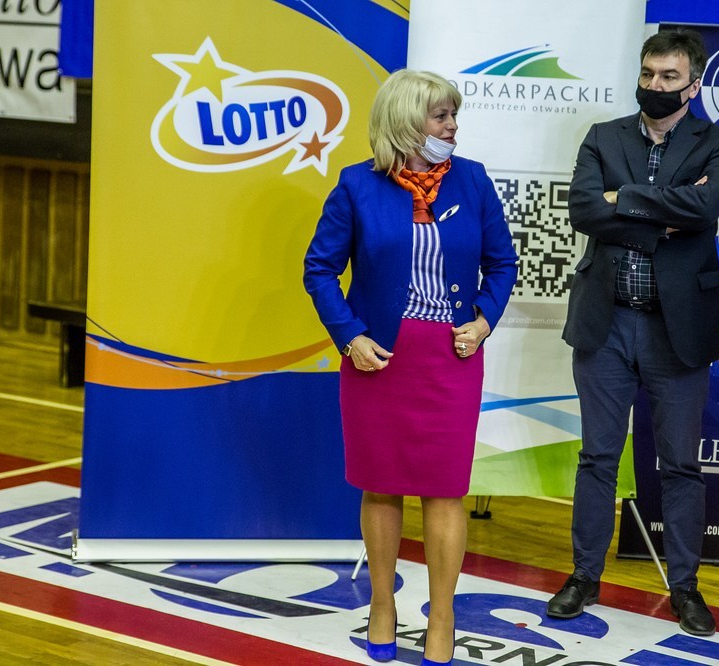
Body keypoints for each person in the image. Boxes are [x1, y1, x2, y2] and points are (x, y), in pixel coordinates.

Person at [303, 69, 518, 666]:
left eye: (453, 115)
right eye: (440, 116)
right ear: (404, 122)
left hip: (451, 358)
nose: (452, 126)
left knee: (445, 492)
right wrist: (350, 336)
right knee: (381, 485)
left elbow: (502, 263)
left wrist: (483, 320)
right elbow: (319, 270)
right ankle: (382, 605)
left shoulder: (472, 180)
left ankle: (441, 616)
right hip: (379, 360)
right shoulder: (357, 186)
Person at [550, 28, 719, 636]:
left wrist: (623, 200)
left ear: (694, 84)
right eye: (648, 74)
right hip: (605, 325)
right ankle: (584, 576)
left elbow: (705, 210)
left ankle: (685, 586)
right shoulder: (603, 136)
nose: (655, 85)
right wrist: (664, 213)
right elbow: (583, 210)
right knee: (597, 458)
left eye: (669, 77)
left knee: (680, 465)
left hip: (676, 330)